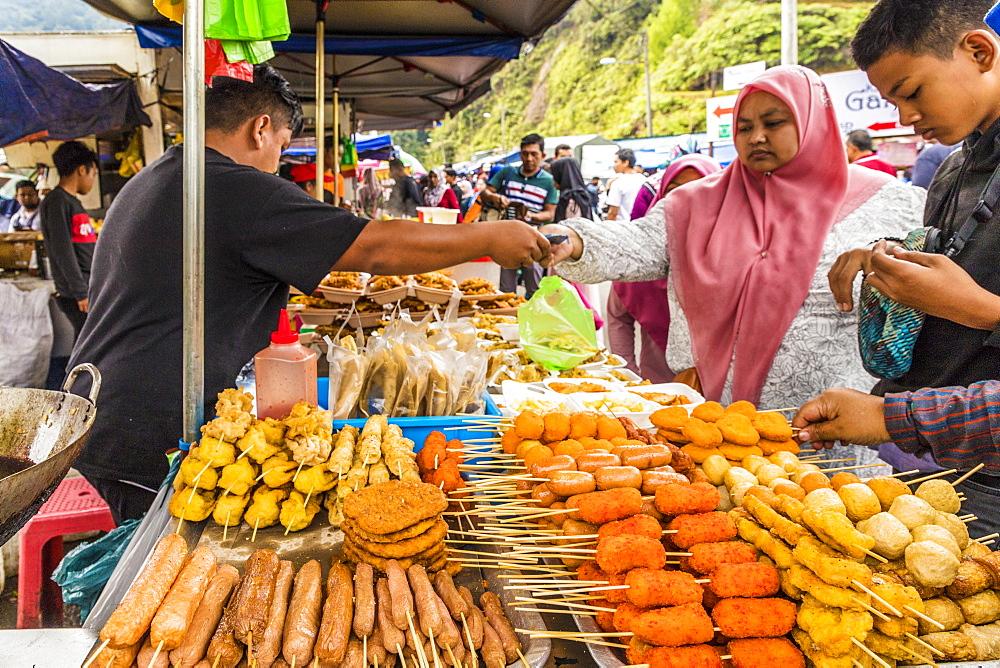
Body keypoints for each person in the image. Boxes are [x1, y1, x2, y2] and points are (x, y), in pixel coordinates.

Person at [66, 64, 550, 522]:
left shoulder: (158, 176)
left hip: (101, 401)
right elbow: (374, 248)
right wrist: (489, 237)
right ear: (260, 129)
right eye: (280, 144)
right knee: (153, 580)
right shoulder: (237, 190)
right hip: (149, 422)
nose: (277, 162)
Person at [544, 65, 926, 466]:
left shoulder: (889, 204)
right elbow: (636, 243)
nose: (756, 136)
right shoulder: (694, 204)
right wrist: (574, 241)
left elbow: (926, 291)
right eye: (743, 127)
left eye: (774, 123)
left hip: (825, 431)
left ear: (814, 122)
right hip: (713, 434)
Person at [803, 0, 1000, 533]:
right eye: (892, 100)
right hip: (942, 469)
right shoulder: (952, 172)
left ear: (979, 51)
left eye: (912, 92)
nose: (904, 118)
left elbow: (971, 304)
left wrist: (981, 310)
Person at [606, 155, 723, 384]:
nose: (687, 198)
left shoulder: (737, 253)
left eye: (700, 189)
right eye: (675, 190)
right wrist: (629, 376)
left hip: (723, 393)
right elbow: (618, 317)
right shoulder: (643, 252)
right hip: (658, 387)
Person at [481, 133, 558, 297]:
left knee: (534, 290)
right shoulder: (508, 172)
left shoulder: (549, 181)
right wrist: (495, 197)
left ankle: (534, 320)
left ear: (543, 156)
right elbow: (485, 192)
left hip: (534, 240)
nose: (529, 158)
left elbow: (550, 214)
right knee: (506, 290)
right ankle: (507, 321)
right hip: (506, 239)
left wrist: (531, 216)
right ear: (520, 153)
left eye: (534, 154)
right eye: (525, 153)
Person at [40, 140, 98, 339]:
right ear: (82, 170)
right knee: (87, 343)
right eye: (93, 174)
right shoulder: (57, 201)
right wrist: (80, 292)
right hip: (76, 292)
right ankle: (75, 372)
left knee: (88, 341)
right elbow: (62, 250)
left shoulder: (71, 202)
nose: (92, 180)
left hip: (85, 285)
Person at [604, 148, 645, 222]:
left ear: (626, 163)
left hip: (623, 227)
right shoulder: (644, 180)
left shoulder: (618, 183)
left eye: (616, 162)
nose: (614, 165)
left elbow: (613, 212)